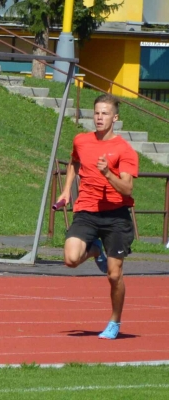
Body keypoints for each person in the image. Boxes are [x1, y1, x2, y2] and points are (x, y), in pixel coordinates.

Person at [56, 94, 138, 340]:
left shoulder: (125, 150)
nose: (100, 117)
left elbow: (127, 189)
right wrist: (66, 190)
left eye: (105, 113)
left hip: (116, 217)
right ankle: (94, 250)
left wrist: (107, 174)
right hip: (87, 211)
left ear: (115, 117)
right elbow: (74, 161)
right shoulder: (81, 140)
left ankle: (114, 322)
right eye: (97, 113)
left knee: (114, 275)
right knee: (70, 259)